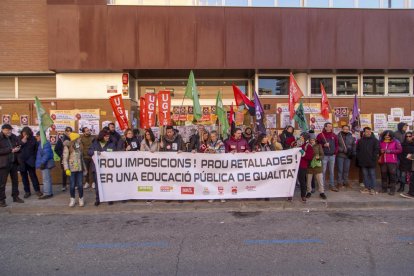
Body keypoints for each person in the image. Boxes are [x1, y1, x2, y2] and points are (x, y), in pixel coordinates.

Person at [88, 130, 116, 206]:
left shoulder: (111, 144)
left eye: (108, 136)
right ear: (102, 136)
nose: (108, 137)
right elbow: (89, 152)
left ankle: (109, 198)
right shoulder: (95, 143)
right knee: (98, 184)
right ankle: (98, 199)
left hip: (107, 168)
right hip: (97, 168)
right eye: (106, 136)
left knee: (109, 184)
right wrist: (95, 152)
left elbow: (115, 154)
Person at [0, 124, 24, 207]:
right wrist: (10, 150)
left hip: (13, 162)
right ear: (3, 130)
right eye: (7, 130)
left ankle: (15, 196)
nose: (9, 131)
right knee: (2, 183)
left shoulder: (13, 136)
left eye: (10, 130)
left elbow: (19, 142)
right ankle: (1, 200)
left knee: (15, 181)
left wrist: (18, 146)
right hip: (4, 164)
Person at [18, 126, 42, 198]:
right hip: (21, 161)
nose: (25, 135)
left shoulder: (33, 139)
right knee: (24, 177)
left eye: (26, 134)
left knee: (33, 176)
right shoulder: (19, 138)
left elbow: (36, 150)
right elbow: (16, 146)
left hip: (30, 161)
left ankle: (37, 190)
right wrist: (22, 141)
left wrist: (34, 158)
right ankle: (27, 192)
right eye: (23, 133)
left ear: (29, 133)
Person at [63, 133, 86, 207]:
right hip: (71, 169)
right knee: (72, 185)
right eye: (79, 138)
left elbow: (81, 159)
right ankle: (72, 198)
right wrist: (66, 169)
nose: (80, 139)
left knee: (80, 185)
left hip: (79, 169)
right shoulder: (68, 147)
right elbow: (65, 159)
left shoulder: (79, 147)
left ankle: (81, 198)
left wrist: (84, 168)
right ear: (75, 139)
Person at [357, 127, 380, 195]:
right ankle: (366, 188)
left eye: (369, 131)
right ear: (364, 132)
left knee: (372, 174)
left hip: (372, 160)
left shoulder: (375, 140)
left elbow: (376, 150)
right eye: (367, 131)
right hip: (363, 161)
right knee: (365, 175)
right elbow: (358, 150)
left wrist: (373, 158)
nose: (368, 133)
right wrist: (359, 157)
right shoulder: (361, 140)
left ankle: (372, 188)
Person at [378, 130, 402, 195]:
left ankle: (392, 190)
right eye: (386, 135)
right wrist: (380, 151)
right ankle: (384, 189)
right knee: (383, 176)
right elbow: (378, 149)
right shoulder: (381, 142)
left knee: (392, 176)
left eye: (388, 135)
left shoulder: (396, 141)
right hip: (383, 161)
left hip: (392, 161)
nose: (387, 136)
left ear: (391, 135)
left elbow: (400, 150)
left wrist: (389, 151)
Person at [316, 122, 339, 192]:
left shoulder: (334, 135)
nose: (330, 128)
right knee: (323, 171)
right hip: (324, 156)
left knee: (332, 171)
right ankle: (322, 186)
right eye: (328, 126)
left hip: (332, 156)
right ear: (325, 127)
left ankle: (332, 185)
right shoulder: (320, 135)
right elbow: (317, 145)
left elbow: (337, 145)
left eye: (331, 126)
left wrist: (335, 152)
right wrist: (323, 145)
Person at [306, 133, 327, 200]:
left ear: (315, 140)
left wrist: (317, 158)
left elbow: (322, 155)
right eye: (310, 140)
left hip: (317, 165)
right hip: (309, 165)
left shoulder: (318, 145)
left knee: (320, 180)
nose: (312, 141)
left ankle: (322, 192)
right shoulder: (307, 146)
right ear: (309, 140)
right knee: (308, 180)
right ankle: (309, 192)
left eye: (313, 139)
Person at [35, 132, 55, 200]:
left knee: (46, 179)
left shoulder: (45, 143)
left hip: (45, 164)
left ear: (41, 136)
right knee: (46, 178)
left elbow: (47, 154)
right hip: (44, 163)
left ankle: (47, 193)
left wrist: (42, 163)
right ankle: (49, 192)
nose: (36, 137)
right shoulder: (42, 143)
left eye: (37, 136)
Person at [296, 132, 314, 203]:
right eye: (300, 137)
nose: (300, 138)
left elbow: (310, 157)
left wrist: (303, 153)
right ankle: (289, 195)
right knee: (292, 180)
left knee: (302, 181)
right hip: (295, 165)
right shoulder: (297, 144)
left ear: (305, 138)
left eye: (302, 137)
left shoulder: (308, 146)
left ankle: (303, 195)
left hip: (302, 166)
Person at [54, 126, 72, 192]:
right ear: (65, 132)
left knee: (72, 171)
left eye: (70, 131)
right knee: (65, 172)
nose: (68, 132)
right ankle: (64, 185)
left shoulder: (73, 138)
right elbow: (56, 149)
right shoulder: (61, 139)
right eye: (67, 131)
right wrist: (61, 155)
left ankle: (73, 184)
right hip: (64, 159)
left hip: (72, 158)